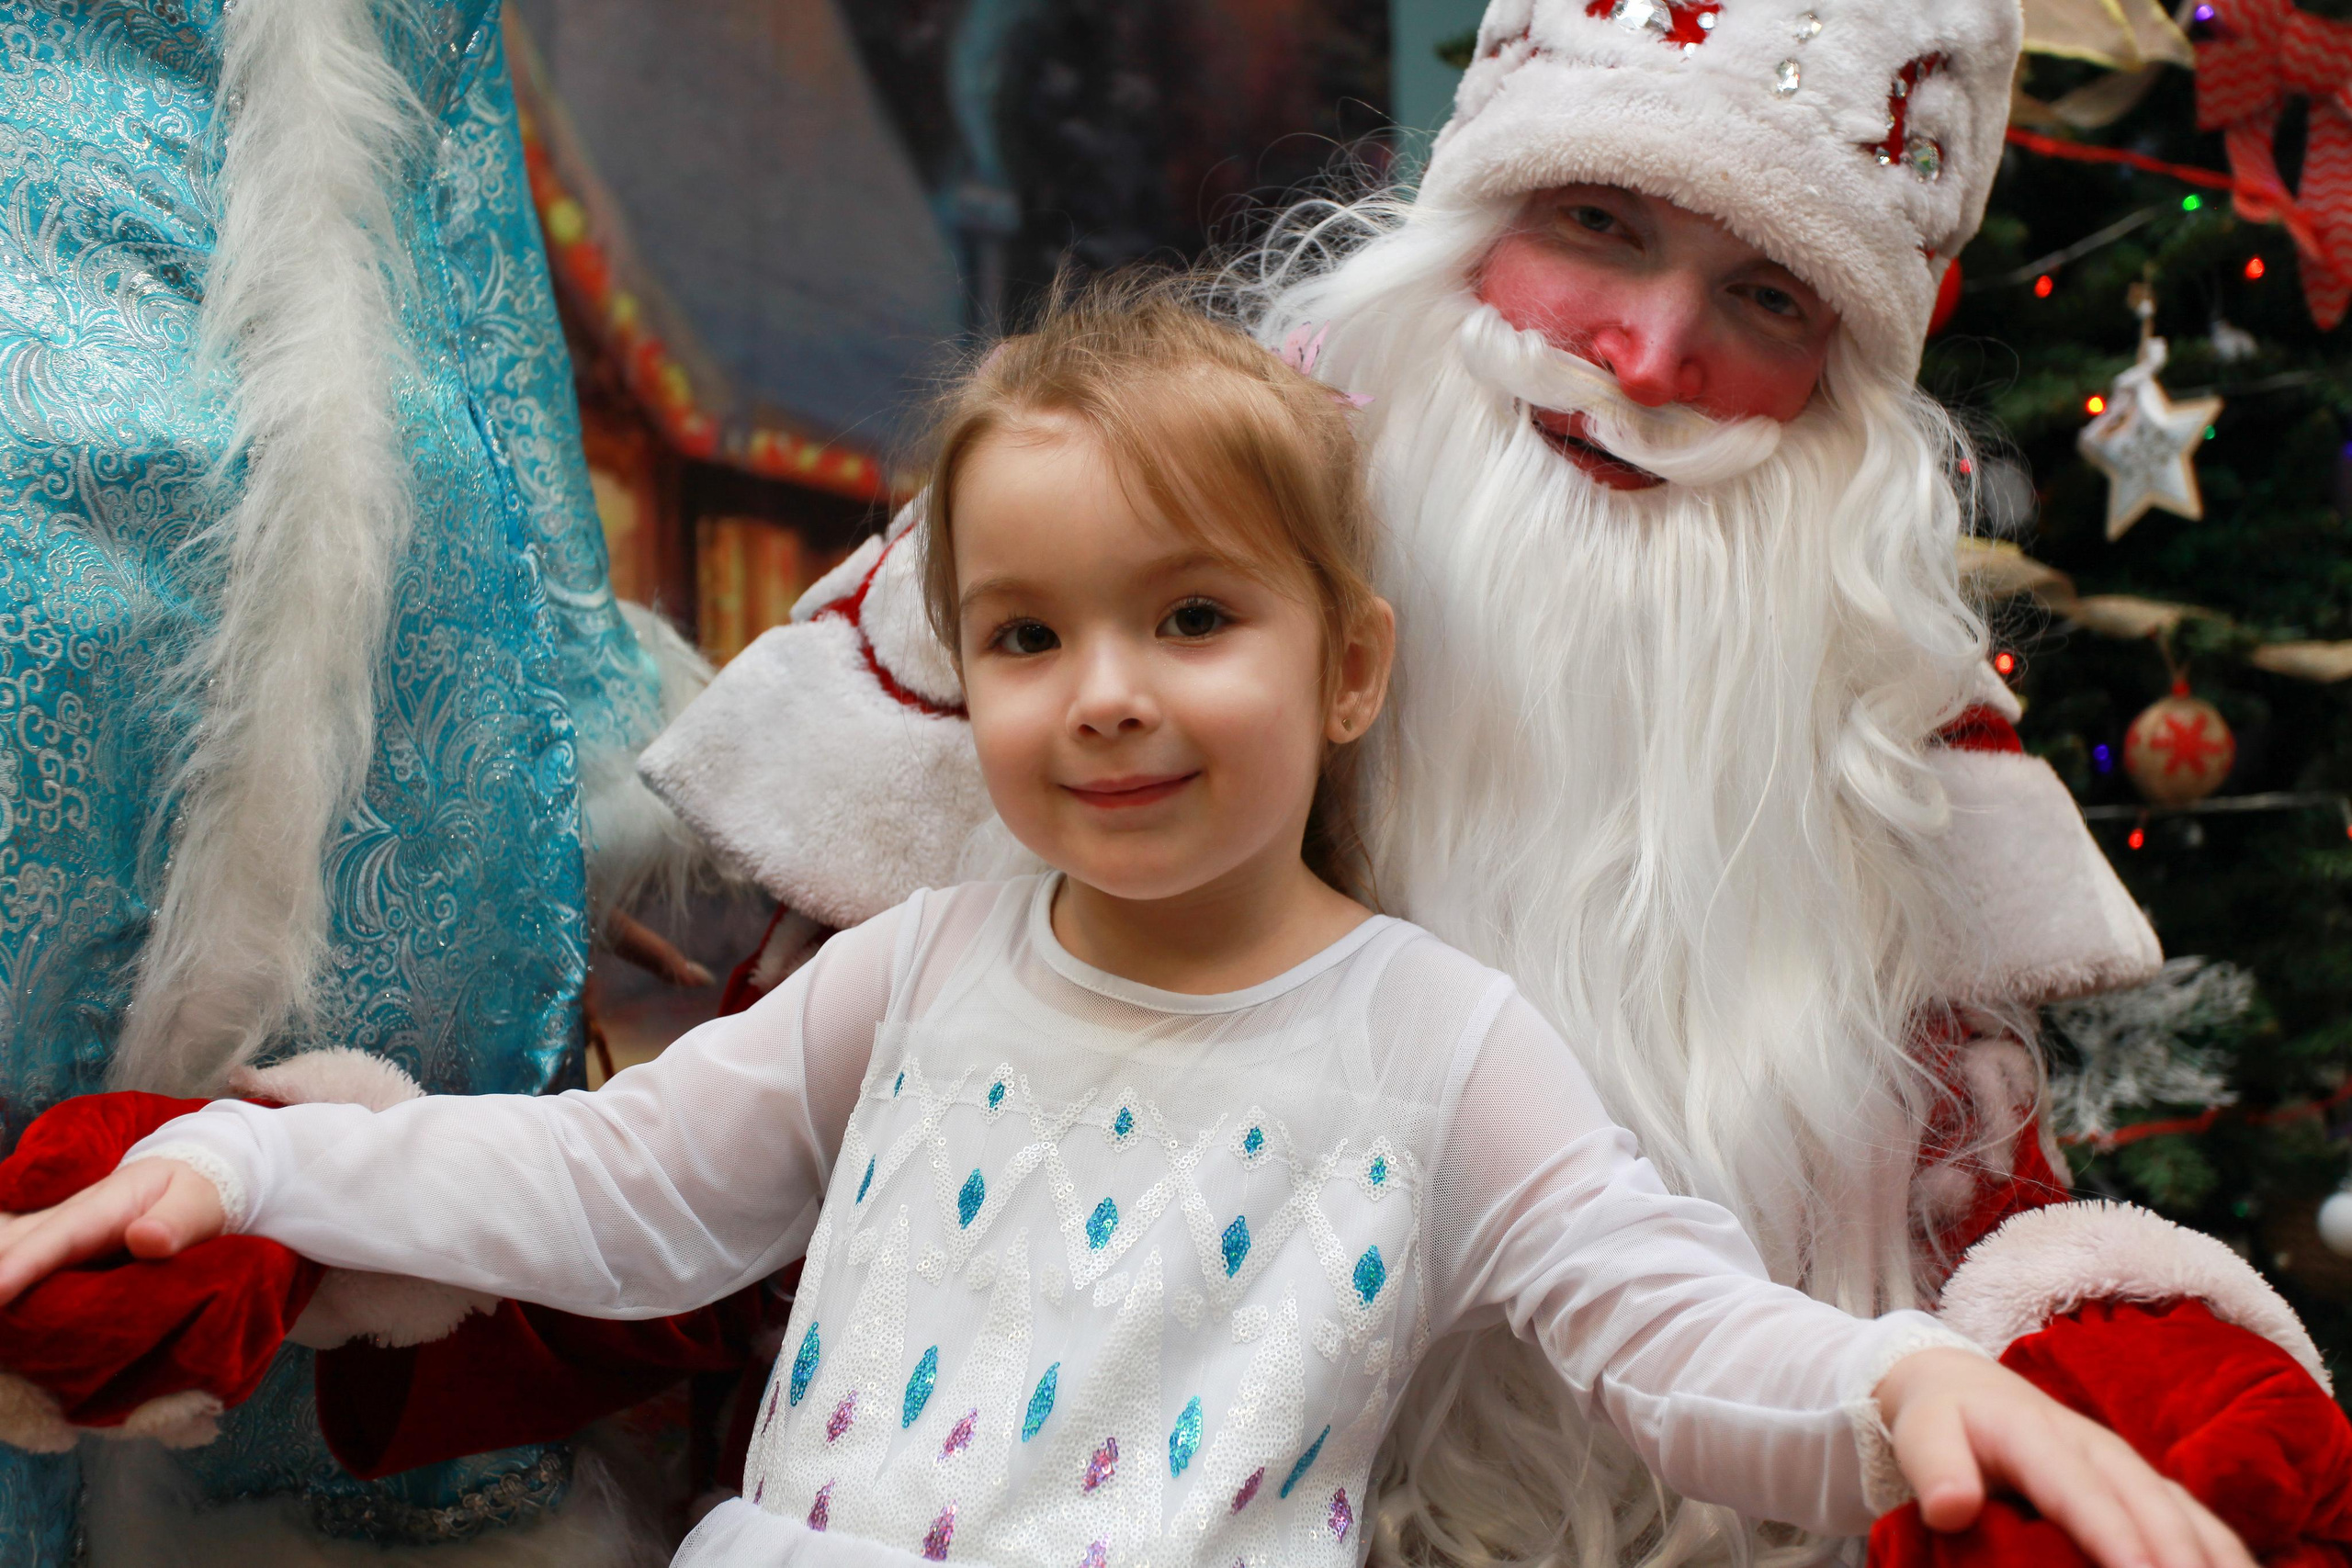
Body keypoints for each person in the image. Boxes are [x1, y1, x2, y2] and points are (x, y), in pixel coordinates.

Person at [0, 288, 2257, 1568]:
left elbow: (1664, 1328)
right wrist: (253, 1164)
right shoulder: (928, 962)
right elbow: (615, 1191)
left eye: (1190, 616)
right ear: (958, 671)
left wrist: (1900, 1371)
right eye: (1024, 634)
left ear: (1343, 666)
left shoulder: (1435, 1038)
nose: (1103, 692)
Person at [618, 2, 2352, 1564]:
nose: (1651, 359)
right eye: (1601, 227)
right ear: (1472, 226)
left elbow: (1979, 1192)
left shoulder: (1851, 703)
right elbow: (762, 1125)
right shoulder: (1185, 513)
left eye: (1766, 299)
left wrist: (2127, 1375)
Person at [0, 0, 712, 1559]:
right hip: (94, 626)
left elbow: (479, 262)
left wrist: (585, 781)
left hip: (378, 666)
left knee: (292, 1291)